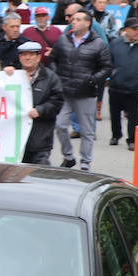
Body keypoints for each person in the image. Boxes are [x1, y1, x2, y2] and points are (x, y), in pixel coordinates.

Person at [51, 11, 113, 170]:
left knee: (87, 131)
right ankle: (68, 156)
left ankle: (85, 162)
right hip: (64, 92)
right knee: (60, 125)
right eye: (73, 19)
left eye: (78, 19)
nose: (73, 21)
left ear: (87, 23)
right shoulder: (63, 40)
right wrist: (57, 78)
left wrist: (92, 80)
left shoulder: (98, 44)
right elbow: (52, 60)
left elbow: (106, 68)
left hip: (86, 93)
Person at [9, 41, 65, 164]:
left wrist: (40, 110)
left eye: (31, 54)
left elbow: (57, 102)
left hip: (40, 138)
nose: (27, 58)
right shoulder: (12, 76)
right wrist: (4, 75)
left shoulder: (50, 78)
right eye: (23, 55)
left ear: (38, 57)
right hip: (16, 140)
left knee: (40, 175)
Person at [108, 19, 138, 151]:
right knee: (115, 113)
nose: (137, 32)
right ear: (126, 30)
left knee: (134, 115)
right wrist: (112, 73)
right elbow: (108, 60)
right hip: (116, 85)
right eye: (134, 29)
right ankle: (116, 135)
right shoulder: (115, 43)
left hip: (135, 86)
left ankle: (132, 139)